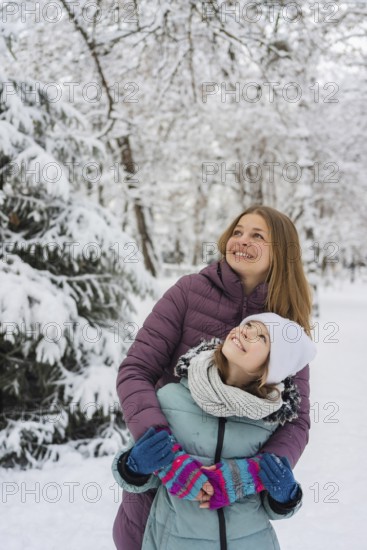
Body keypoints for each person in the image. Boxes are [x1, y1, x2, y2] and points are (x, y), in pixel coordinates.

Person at [113, 205, 313, 549]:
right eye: (237, 231)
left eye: (257, 236)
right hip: (162, 495)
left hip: (235, 516)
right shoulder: (190, 292)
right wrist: (165, 453)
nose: (241, 240)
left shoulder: (285, 326)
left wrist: (252, 474)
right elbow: (136, 371)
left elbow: (296, 420)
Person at [112, 313, 317, 550]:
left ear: (271, 368)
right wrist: (134, 466)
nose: (246, 332)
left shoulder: (267, 422)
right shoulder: (171, 399)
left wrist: (286, 497)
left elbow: (269, 506)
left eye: (261, 337)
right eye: (248, 325)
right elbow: (131, 476)